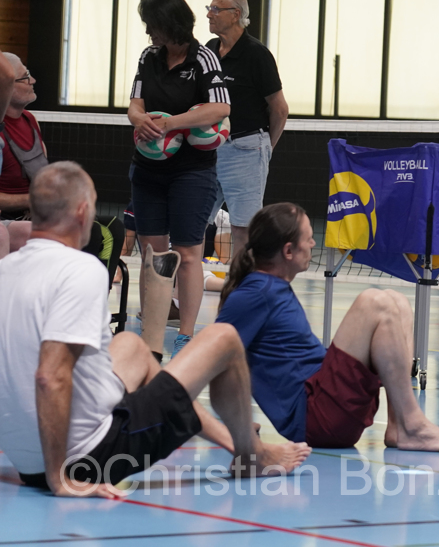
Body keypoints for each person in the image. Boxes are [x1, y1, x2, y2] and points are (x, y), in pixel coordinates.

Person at [0, 162, 309, 497]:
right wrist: (59, 478)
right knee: (225, 339)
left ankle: (233, 442)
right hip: (86, 458)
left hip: (27, 461)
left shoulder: (6, 269)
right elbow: (50, 376)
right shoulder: (80, 269)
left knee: (130, 345)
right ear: (82, 211)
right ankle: (253, 454)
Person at [215, 203, 439, 452]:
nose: (313, 244)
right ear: (288, 252)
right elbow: (213, 357)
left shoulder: (271, 287)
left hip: (326, 404)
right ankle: (414, 425)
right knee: (374, 302)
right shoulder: (253, 294)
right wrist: (234, 423)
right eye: (308, 238)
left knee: (398, 303)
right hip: (314, 419)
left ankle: (399, 426)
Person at [127, 0, 231, 359]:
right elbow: (135, 105)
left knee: (188, 254)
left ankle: (186, 335)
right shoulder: (149, 57)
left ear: (170, 23)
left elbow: (220, 108)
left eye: (152, 25)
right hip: (148, 171)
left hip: (191, 173)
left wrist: (171, 123)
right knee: (152, 253)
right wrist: (139, 119)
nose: (148, 33)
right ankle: (150, 332)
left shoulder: (203, 58)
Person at [205, 0, 288, 262]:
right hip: (208, 151)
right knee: (194, 221)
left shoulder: (257, 54)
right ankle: (183, 286)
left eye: (216, 9)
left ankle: (240, 285)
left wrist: (264, 149)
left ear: (235, 15)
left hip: (246, 150)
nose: (209, 14)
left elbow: (279, 109)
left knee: (243, 228)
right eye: (209, 8)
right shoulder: (209, 50)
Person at [0, 53, 37, 253]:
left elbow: (42, 175)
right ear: (8, 87)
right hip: (11, 219)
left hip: (35, 214)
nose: (33, 81)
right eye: (25, 77)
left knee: (107, 228)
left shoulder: (31, 120)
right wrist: (31, 200)